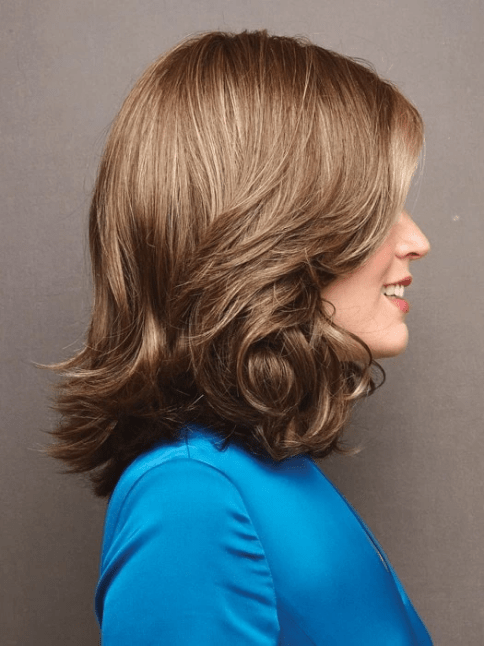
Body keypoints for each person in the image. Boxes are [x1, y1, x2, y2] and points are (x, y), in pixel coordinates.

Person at [46, 30, 432, 644]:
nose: (417, 240)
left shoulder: (257, 477)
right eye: (378, 209)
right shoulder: (193, 502)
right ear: (275, 229)